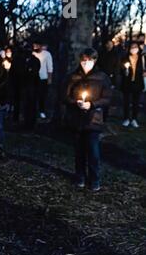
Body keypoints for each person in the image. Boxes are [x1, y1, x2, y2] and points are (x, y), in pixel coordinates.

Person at [64, 48, 111, 192]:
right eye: (83, 60)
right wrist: (75, 102)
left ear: (94, 61)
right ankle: (80, 177)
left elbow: (107, 98)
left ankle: (94, 179)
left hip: (93, 120)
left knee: (93, 151)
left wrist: (92, 104)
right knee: (79, 151)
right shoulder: (73, 76)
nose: (86, 63)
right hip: (76, 119)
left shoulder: (102, 77)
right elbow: (65, 96)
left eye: (89, 60)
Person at [120, 42, 145, 128]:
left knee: (136, 102)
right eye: (132, 47)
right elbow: (121, 69)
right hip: (127, 83)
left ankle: (134, 119)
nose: (134, 49)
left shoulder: (142, 58)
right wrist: (125, 70)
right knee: (126, 101)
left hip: (138, 83)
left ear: (138, 48)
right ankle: (126, 118)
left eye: (135, 47)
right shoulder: (125, 58)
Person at [32, 41, 53, 120]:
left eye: (36, 45)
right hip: (33, 78)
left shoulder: (47, 54)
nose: (35, 47)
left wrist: (49, 78)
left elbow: (50, 67)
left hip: (43, 78)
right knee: (33, 95)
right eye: (34, 46)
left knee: (42, 96)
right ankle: (33, 111)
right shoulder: (32, 54)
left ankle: (42, 111)